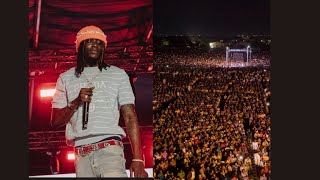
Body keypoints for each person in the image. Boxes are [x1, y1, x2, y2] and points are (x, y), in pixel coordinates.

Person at [50, 25, 148, 178]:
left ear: (104, 48)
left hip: (110, 150)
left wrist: (138, 158)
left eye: (99, 42)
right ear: (80, 46)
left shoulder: (118, 74)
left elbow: (130, 116)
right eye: (89, 41)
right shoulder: (65, 78)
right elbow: (55, 121)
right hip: (81, 155)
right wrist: (76, 102)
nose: (95, 45)